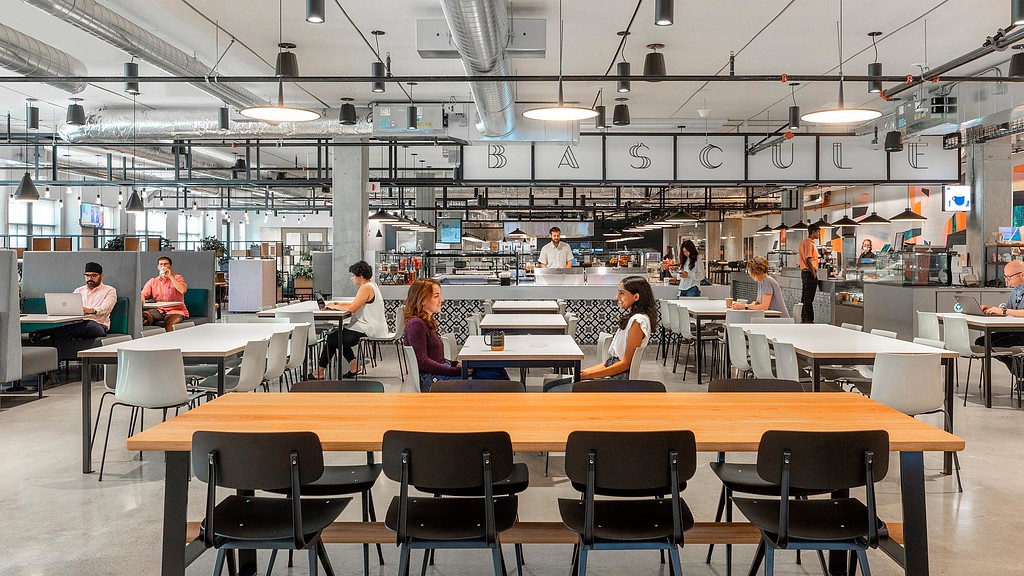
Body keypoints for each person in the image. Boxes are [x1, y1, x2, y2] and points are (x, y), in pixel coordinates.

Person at [403, 278, 509, 391]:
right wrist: (457, 370)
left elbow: (436, 358)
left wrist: (454, 364)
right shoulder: (416, 325)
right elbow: (423, 363)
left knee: (494, 369)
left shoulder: (423, 322)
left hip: (440, 375)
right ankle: (513, 401)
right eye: (436, 296)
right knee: (495, 378)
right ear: (422, 300)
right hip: (434, 382)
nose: (441, 300)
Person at [313, 261, 388, 379]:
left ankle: (319, 372)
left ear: (360, 276)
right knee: (337, 337)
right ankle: (354, 366)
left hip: (369, 328)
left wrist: (335, 306)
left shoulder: (366, 287)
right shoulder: (371, 285)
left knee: (334, 338)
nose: (351, 278)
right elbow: (356, 303)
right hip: (372, 326)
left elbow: (353, 308)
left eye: (353, 275)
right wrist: (337, 304)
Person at [31, 262, 117, 345]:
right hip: (76, 323)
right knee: (64, 332)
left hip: (99, 325)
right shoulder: (79, 290)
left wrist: (91, 310)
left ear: (101, 276)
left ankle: (47, 332)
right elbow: (70, 306)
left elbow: (106, 308)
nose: (90, 278)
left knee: (89, 324)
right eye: (87, 275)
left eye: (94, 275)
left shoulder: (109, 290)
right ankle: (56, 357)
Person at [977, 259, 1024, 373]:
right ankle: (1019, 370)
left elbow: (1010, 311)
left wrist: (1003, 311)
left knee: (994, 344)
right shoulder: (1015, 291)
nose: (1007, 280)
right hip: (1014, 330)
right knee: (982, 342)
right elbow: (1009, 310)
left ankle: (1020, 372)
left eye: (1009, 277)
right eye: (1005, 277)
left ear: (1022, 274)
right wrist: (991, 309)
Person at [141, 256, 189, 331]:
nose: (163, 266)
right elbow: (143, 294)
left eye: (166, 264)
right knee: (143, 316)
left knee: (170, 321)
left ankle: (169, 341)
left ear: (170, 266)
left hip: (176, 310)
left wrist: (170, 277)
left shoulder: (178, 278)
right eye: (161, 264)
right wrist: (142, 299)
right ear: (158, 267)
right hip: (159, 310)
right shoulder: (153, 281)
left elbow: (183, 290)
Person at [798, 223, 820, 323]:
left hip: (805, 273)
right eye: (818, 232)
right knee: (808, 299)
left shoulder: (804, 242)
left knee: (805, 298)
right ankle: (808, 320)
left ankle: (804, 319)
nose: (819, 234)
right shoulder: (808, 243)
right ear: (813, 232)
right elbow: (808, 259)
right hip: (809, 273)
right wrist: (814, 274)